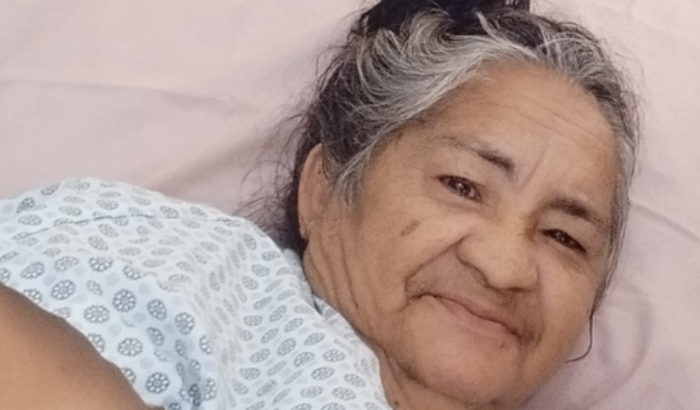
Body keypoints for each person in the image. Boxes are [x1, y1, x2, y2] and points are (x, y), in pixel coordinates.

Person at [0, 0, 638, 409]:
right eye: (463, 186)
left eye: (564, 237)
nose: (504, 266)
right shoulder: (187, 269)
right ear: (326, 189)